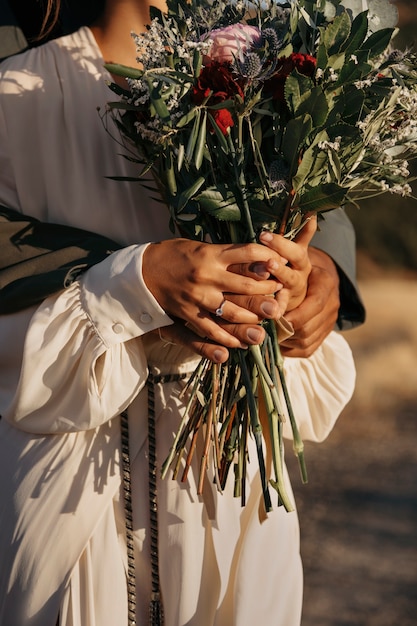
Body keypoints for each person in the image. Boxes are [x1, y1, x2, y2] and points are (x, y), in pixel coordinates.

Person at [0, 1, 357, 625]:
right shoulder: (16, 98)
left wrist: (309, 276)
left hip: (230, 498)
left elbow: (308, 242)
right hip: (68, 498)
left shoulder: (270, 98)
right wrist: (132, 285)